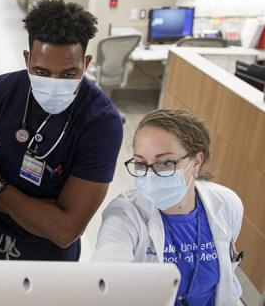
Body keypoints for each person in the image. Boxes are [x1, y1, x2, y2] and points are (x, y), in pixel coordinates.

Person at [0, 0, 124, 261]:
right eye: (41, 71)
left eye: (68, 74)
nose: (54, 83)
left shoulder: (101, 122)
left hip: (52, 257)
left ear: (86, 62)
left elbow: (64, 230)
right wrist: (42, 211)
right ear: (27, 59)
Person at [93, 109, 244, 306]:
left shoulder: (226, 205)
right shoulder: (125, 215)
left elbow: (225, 279)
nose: (150, 174)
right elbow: (107, 273)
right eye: (140, 163)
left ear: (196, 162)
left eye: (164, 162)